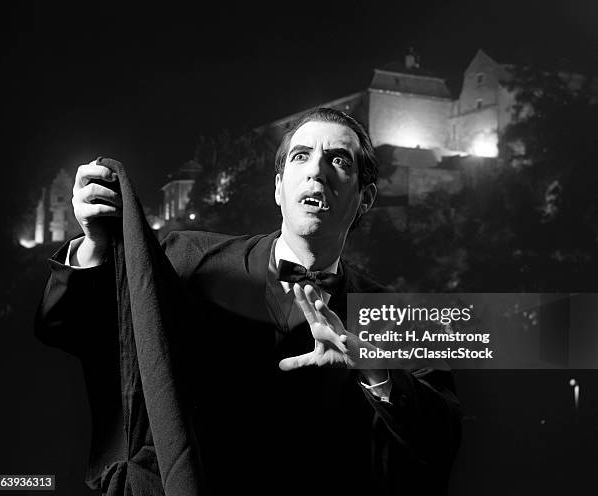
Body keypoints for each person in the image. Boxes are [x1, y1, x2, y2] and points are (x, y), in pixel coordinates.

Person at [36, 108, 461, 495]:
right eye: (300, 157)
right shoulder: (185, 259)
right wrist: (93, 244)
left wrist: (373, 367)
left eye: (338, 159)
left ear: (365, 198)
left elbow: (441, 439)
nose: (316, 171)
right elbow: (74, 329)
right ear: (278, 189)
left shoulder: (403, 318)